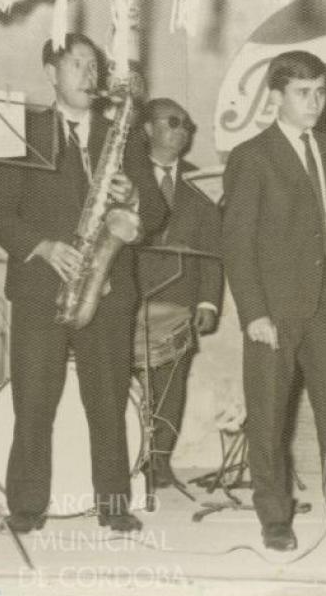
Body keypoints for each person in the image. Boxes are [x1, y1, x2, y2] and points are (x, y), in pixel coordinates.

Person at [0, 33, 167, 533]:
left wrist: (134, 198)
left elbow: (157, 210)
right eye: (77, 64)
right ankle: (25, 507)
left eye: (94, 66)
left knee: (106, 399)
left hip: (107, 287)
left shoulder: (123, 134)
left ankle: (113, 504)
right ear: (51, 73)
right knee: (33, 399)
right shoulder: (19, 131)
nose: (89, 75)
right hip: (42, 284)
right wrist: (43, 247)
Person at [221, 50, 326, 551]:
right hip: (274, 310)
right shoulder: (252, 156)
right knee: (269, 419)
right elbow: (237, 241)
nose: (315, 103)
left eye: (320, 92)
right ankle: (274, 516)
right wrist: (253, 314)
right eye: (302, 93)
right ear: (275, 97)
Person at [135, 98, 223, 489]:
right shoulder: (125, 174)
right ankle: (123, 459)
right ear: (148, 129)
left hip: (181, 301)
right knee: (122, 386)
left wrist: (208, 301)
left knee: (172, 386)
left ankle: (159, 462)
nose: (182, 130)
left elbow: (214, 248)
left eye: (186, 124)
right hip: (128, 297)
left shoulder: (199, 183)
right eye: (172, 122)